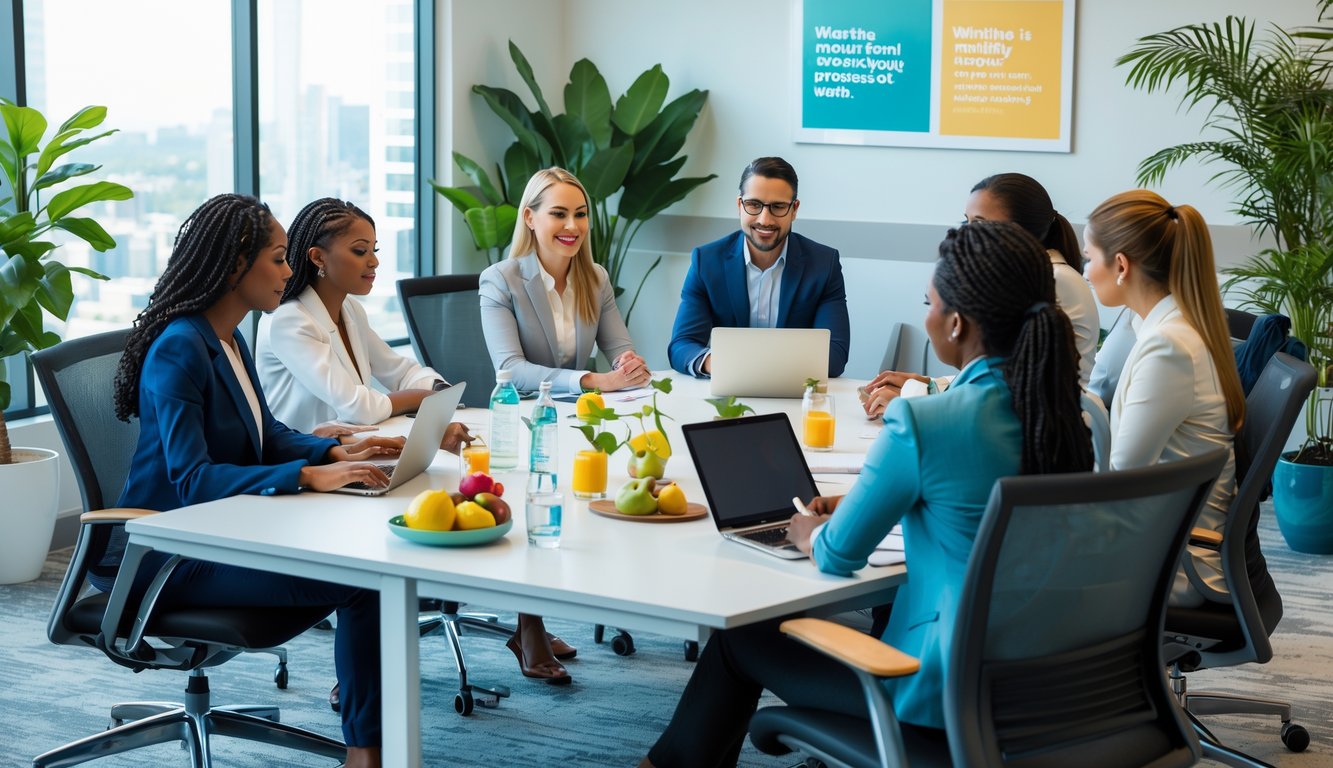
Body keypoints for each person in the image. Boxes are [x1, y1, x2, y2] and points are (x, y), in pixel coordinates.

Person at [640, 222, 1092, 768]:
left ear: (955, 323)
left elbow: (837, 556)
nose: (927, 316)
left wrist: (810, 532)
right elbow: (977, 514)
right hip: (1049, 687)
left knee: (742, 637)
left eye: (928, 303)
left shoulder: (927, 420)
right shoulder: (1060, 414)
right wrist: (869, 500)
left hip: (934, 696)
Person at [110, 193, 406, 768]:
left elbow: (265, 433)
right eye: (277, 259)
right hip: (164, 555)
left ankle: (367, 746)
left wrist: (337, 449)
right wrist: (308, 476)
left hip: (216, 534)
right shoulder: (179, 348)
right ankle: (365, 755)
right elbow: (193, 480)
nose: (289, 271)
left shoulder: (227, 338)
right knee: (366, 581)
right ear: (233, 268)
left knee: (368, 564)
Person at [259, 197, 576, 686]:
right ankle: (359, 678)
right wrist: (424, 401)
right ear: (318, 258)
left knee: (494, 490)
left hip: (363, 455)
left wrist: (436, 390)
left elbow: (400, 369)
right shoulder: (289, 322)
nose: (373, 262)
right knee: (455, 494)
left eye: (376, 250)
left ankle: (528, 624)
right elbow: (357, 404)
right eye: (360, 251)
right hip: (311, 475)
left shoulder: (350, 312)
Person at [1084, 189, 1245, 607]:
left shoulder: (1168, 347)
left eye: (1088, 258)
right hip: (1164, 539)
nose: (1085, 273)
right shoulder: (1172, 329)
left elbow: (1123, 479)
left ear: (1121, 266)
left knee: (1008, 561)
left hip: (1174, 562)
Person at [862, 172, 1100, 417]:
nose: (967, 235)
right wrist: (930, 387)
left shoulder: (1052, 281)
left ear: (1021, 231)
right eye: (966, 223)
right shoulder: (1036, 275)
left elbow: (1011, 394)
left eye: (979, 224)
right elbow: (1000, 376)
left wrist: (914, 404)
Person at [667, 156, 850, 379]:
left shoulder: (824, 264)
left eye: (778, 207)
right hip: (730, 388)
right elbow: (682, 345)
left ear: (794, 209)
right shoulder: (706, 262)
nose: (765, 219)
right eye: (754, 205)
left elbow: (835, 356)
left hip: (795, 392)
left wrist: (757, 366)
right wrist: (715, 363)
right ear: (739, 206)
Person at [479, 167, 650, 394]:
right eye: (559, 214)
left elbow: (620, 349)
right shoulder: (500, 280)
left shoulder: (597, 279)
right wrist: (593, 380)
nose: (572, 226)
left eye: (580, 214)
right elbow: (511, 370)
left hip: (579, 408)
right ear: (529, 218)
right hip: (525, 409)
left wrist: (627, 366)